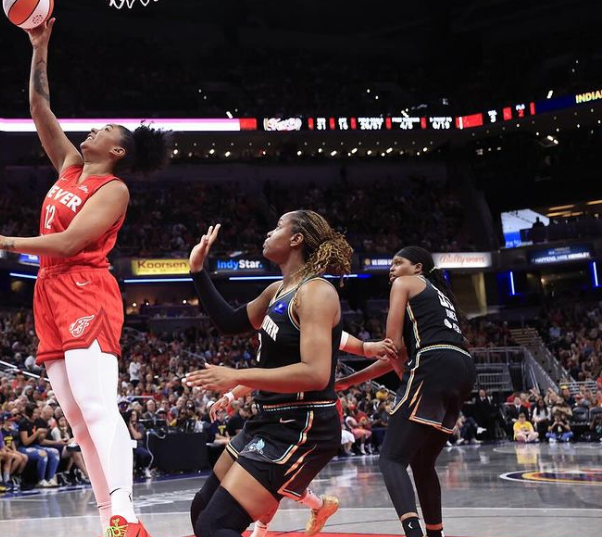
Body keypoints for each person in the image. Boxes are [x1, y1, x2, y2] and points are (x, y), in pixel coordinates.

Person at [0, 16, 170, 537]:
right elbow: (38, 107)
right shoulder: (70, 166)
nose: (91, 130)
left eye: (104, 131)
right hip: (49, 291)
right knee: (77, 421)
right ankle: (110, 523)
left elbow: (74, 243)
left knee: (99, 408)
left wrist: (4, 241)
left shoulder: (114, 190)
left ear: (117, 152)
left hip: (85, 287)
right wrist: (40, 45)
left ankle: (127, 513)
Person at [184, 217, 388, 537]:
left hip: (303, 426)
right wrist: (197, 271)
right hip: (267, 420)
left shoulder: (317, 291)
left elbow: (316, 373)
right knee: (202, 510)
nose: (268, 232)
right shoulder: (276, 290)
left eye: (278, 226)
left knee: (216, 525)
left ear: (296, 239)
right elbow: (229, 321)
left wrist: (237, 376)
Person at [335, 246, 476, 537]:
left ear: (418, 268)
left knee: (390, 459)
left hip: (434, 362)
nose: (392, 269)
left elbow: (392, 346)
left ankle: (413, 533)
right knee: (423, 462)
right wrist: (350, 382)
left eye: (398, 263)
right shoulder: (438, 296)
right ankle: (435, 534)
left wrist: (403, 377)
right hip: (463, 367)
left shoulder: (404, 284)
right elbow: (399, 355)